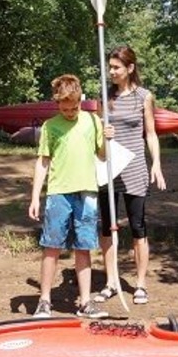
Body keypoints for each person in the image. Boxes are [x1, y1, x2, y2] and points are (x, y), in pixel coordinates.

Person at [29, 73, 111, 319]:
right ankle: (44, 300)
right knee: (52, 246)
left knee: (83, 247)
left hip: (86, 192)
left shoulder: (92, 121)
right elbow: (43, 162)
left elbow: (103, 156)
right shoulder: (50, 126)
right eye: (64, 109)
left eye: (74, 108)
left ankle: (85, 302)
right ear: (57, 104)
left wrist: (107, 139)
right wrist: (35, 196)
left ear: (80, 100)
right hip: (58, 193)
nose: (70, 113)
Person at [94, 45, 166, 305]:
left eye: (116, 67)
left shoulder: (143, 97)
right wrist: (103, 133)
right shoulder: (104, 97)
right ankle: (111, 281)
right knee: (107, 226)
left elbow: (151, 133)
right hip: (109, 169)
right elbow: (97, 134)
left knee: (137, 226)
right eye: (110, 67)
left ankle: (140, 284)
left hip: (134, 169)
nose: (111, 72)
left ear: (130, 68)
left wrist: (156, 163)